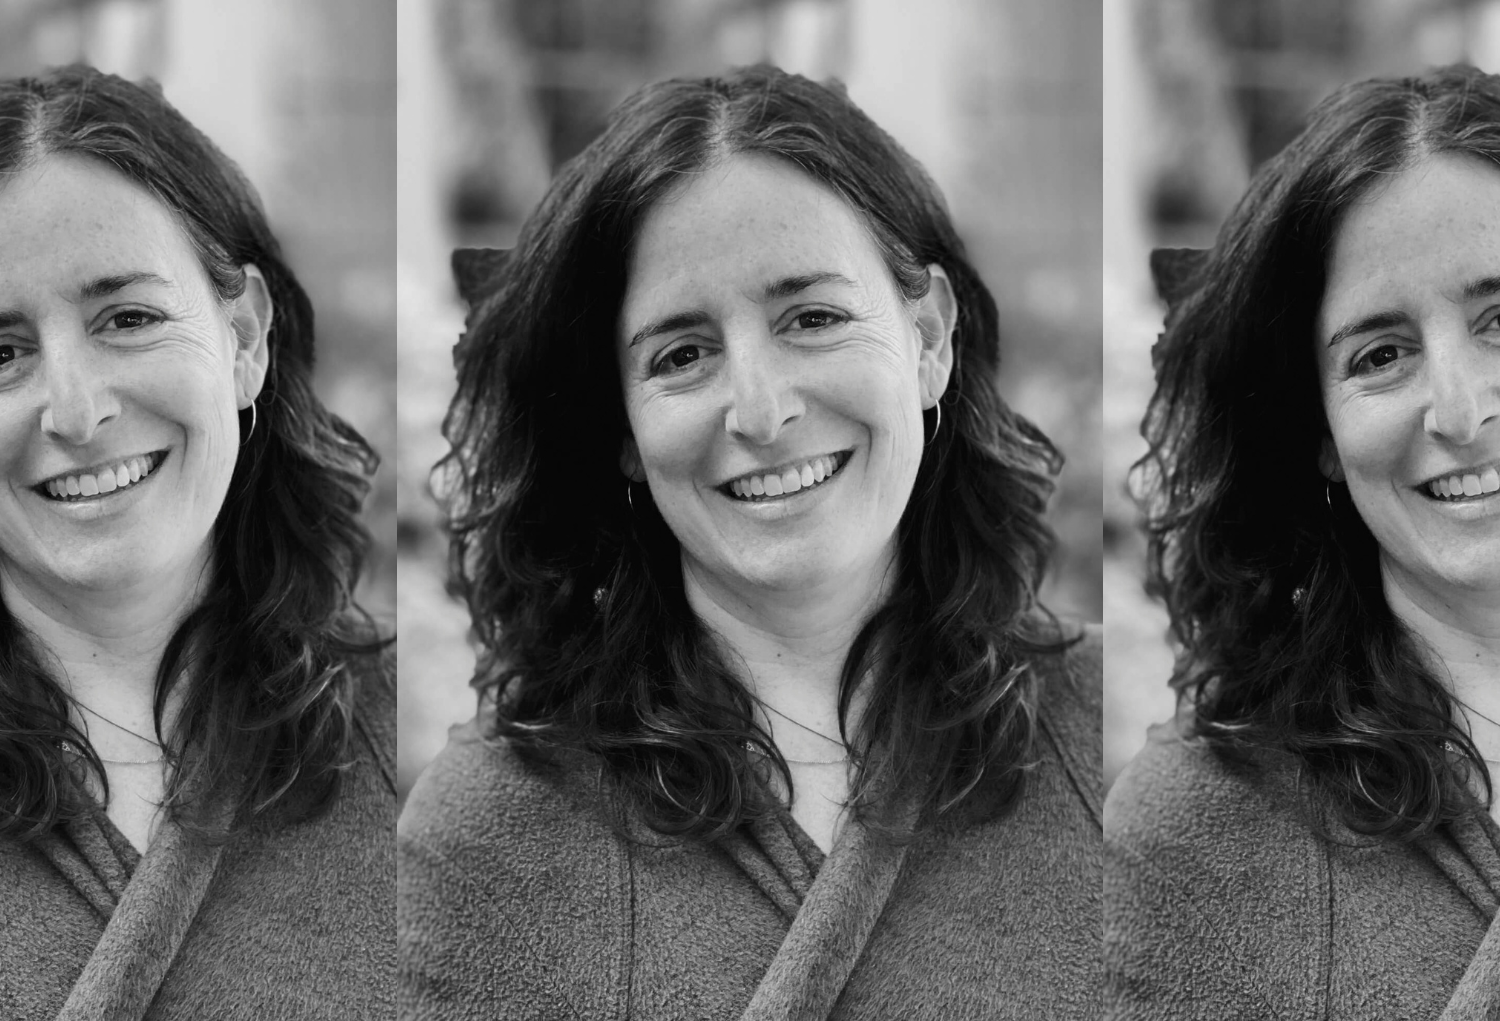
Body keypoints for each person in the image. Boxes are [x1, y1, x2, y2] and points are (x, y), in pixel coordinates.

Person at [398, 64, 1100, 1020]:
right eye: (682, 356)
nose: (763, 411)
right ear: (624, 432)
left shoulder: (1102, 735)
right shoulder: (490, 833)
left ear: (929, 338)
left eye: (812, 317)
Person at [1106, 64, 1500, 1018]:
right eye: (1380, 354)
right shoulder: (1194, 834)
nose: (1459, 407)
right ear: (1319, 432)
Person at [0, 66, 394, 1019]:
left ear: (245, 336)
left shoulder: (409, 743)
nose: (78, 410)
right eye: (0, 351)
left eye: (127, 318)